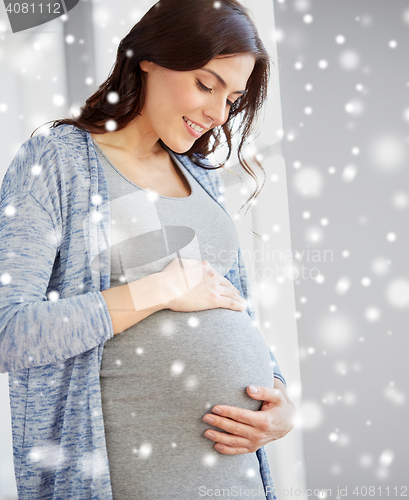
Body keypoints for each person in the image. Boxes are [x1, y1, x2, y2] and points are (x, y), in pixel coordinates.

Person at [0, 0, 296, 498]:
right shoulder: (57, 161)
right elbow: (11, 333)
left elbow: (231, 306)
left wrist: (280, 400)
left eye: (232, 99)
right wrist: (158, 290)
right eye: (206, 84)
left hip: (235, 482)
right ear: (150, 57)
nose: (216, 113)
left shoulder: (201, 177)